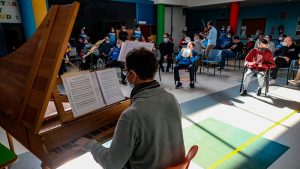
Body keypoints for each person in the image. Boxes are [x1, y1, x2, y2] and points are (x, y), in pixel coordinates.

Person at [74, 47, 185, 169]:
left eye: (126, 70)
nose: (126, 74)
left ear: (132, 75)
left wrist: (90, 145)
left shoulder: (131, 114)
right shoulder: (171, 98)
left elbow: (112, 164)